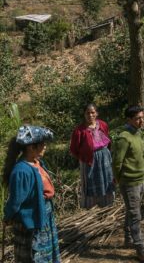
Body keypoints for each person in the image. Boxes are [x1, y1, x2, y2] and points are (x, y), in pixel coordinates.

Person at [3, 125, 60, 262]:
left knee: (46, 255)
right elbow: (15, 201)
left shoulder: (37, 163)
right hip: (31, 222)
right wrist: (7, 217)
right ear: (30, 147)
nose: (45, 147)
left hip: (43, 217)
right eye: (42, 144)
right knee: (33, 256)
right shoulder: (22, 171)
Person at [112, 105, 144, 263]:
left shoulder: (137, 134)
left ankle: (128, 238)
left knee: (133, 211)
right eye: (138, 118)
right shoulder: (124, 137)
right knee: (135, 215)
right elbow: (117, 162)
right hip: (129, 182)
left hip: (140, 179)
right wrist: (118, 179)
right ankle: (140, 249)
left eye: (142, 117)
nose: (141, 120)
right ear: (129, 119)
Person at [69, 103, 115, 209]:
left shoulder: (103, 125)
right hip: (89, 160)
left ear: (97, 113)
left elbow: (107, 138)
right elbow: (73, 149)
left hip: (105, 157)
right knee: (91, 182)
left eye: (93, 112)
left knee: (107, 179)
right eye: (88, 113)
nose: (90, 115)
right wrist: (84, 157)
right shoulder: (79, 131)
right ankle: (93, 207)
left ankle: (107, 204)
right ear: (84, 114)